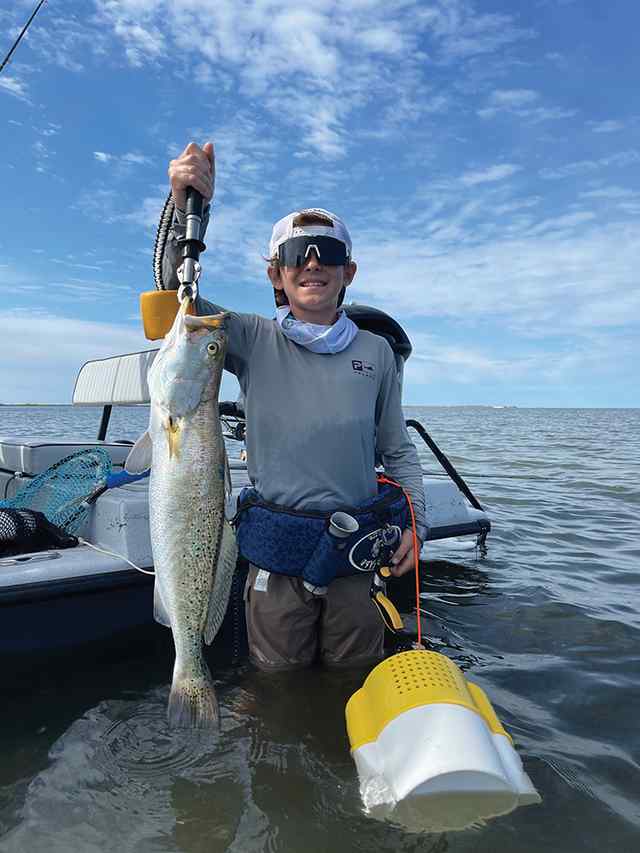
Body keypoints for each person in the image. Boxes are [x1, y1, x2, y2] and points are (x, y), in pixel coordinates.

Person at [162, 141, 427, 671]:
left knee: (355, 676)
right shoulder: (248, 337)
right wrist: (185, 208)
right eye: (295, 254)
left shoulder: (377, 353)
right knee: (275, 684)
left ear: (348, 271)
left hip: (355, 557)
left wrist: (416, 526)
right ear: (275, 274)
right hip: (277, 560)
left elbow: (398, 450)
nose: (312, 264)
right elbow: (177, 296)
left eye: (326, 252)